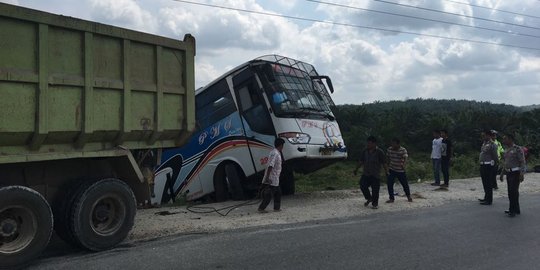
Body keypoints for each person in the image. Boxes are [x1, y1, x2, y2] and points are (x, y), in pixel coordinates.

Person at [354, 136, 388, 209]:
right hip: (366, 173)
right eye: (367, 143)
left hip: (375, 174)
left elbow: (384, 163)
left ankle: (375, 204)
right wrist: (356, 169)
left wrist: (386, 172)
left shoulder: (379, 152)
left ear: (374, 143)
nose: (368, 145)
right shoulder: (365, 151)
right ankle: (369, 198)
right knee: (362, 185)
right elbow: (361, 161)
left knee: (375, 190)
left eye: (369, 143)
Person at [499, 134, 526, 217]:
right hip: (509, 173)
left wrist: (522, 173)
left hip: (515, 173)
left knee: (512, 192)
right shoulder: (507, 149)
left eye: (505, 139)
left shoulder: (517, 149)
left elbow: (522, 161)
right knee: (511, 192)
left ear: (510, 139)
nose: (503, 141)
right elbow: (506, 163)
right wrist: (502, 173)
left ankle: (512, 210)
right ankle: (516, 209)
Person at [258, 138, 286, 213]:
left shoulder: (275, 152)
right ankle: (261, 208)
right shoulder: (275, 153)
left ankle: (276, 208)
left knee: (278, 193)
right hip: (271, 178)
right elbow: (271, 165)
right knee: (269, 194)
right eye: (282, 145)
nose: (283, 147)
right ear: (280, 145)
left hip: (275, 178)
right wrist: (267, 178)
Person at [386, 138, 413, 203]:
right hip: (392, 169)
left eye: (394, 143)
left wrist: (404, 165)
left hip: (400, 170)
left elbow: (406, 157)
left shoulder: (402, 150)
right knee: (389, 184)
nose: (392, 145)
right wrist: (387, 167)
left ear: (398, 144)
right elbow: (388, 158)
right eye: (392, 143)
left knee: (404, 184)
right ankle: (391, 198)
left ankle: (408, 196)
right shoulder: (389, 149)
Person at [478, 129, 498, 205]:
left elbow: (495, 156)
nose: (483, 137)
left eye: (485, 135)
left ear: (489, 135)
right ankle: (486, 197)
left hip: (489, 165)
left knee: (489, 183)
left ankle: (489, 200)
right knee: (485, 182)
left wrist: (494, 165)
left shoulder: (493, 144)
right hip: (483, 164)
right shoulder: (484, 143)